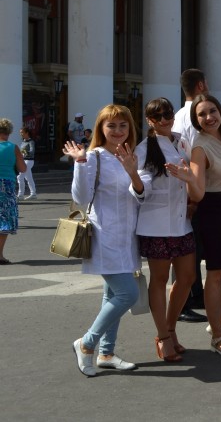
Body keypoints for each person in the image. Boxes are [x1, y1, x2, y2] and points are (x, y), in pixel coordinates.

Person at [166, 94, 221, 357]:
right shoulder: (200, 148)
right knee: (215, 274)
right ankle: (217, 334)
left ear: (220, 110)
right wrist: (188, 178)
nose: (209, 118)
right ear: (195, 121)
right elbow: (198, 194)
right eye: (201, 115)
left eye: (212, 111)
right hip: (214, 211)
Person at [62, 105, 143, 376]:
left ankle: (106, 353)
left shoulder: (132, 155)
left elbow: (141, 196)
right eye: (111, 126)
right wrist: (80, 162)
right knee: (127, 294)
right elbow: (82, 197)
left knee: (111, 295)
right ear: (101, 129)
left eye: (123, 125)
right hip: (104, 234)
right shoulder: (94, 156)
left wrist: (133, 172)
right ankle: (86, 343)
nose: (118, 131)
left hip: (128, 236)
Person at [134, 98, 196, 363]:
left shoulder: (182, 142)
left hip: (182, 223)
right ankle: (163, 336)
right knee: (159, 280)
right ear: (149, 120)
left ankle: (170, 327)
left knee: (187, 277)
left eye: (167, 114)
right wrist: (139, 183)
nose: (163, 119)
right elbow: (139, 186)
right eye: (156, 116)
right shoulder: (145, 148)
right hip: (156, 224)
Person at [171, 68, 209, 322]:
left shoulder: (178, 115)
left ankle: (195, 293)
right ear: (201, 86)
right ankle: (184, 300)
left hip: (186, 185)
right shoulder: (196, 114)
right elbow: (198, 153)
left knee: (192, 245)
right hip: (195, 187)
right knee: (187, 247)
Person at [0, 119, 26, 264]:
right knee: (4, 218)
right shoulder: (13, 147)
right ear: (9, 132)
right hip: (6, 184)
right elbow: (23, 169)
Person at [17, 126, 37, 200]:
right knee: (28, 177)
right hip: (23, 160)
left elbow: (32, 151)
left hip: (29, 161)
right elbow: (20, 151)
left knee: (20, 177)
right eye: (20, 133)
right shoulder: (23, 142)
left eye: (22, 132)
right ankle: (33, 194)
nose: (21, 134)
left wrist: (25, 152)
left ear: (27, 133)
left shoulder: (31, 141)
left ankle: (20, 195)